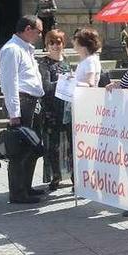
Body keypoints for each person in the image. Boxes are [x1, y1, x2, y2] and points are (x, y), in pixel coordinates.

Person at [0, 15, 45, 204]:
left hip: (32, 102)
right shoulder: (12, 49)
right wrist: (14, 113)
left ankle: (26, 186)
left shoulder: (26, 49)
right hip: (22, 102)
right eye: (38, 31)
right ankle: (18, 192)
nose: (40, 35)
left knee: (33, 147)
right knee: (19, 149)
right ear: (28, 29)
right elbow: (10, 83)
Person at [37, 29, 73, 192]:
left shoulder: (66, 61)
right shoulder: (44, 63)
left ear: (63, 44)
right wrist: (62, 81)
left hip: (66, 109)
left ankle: (73, 175)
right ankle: (55, 176)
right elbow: (45, 87)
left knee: (70, 144)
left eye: (58, 42)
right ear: (46, 45)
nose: (55, 45)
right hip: (51, 110)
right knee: (53, 146)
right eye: (51, 42)